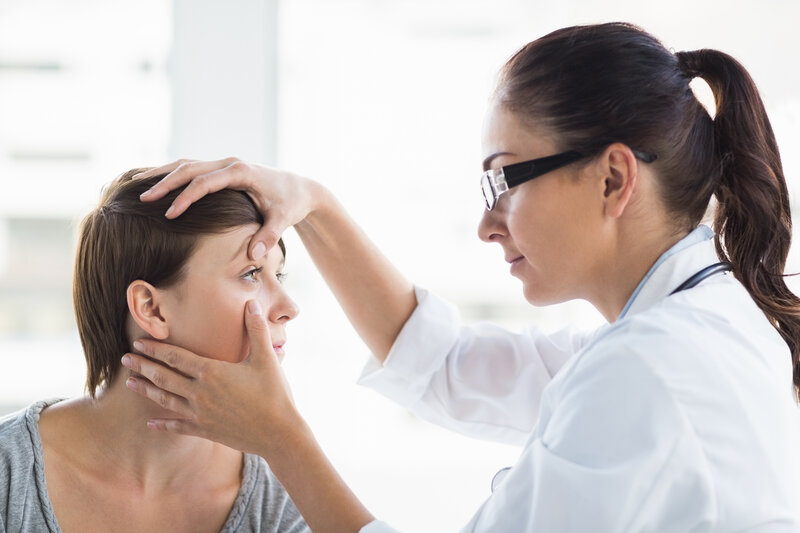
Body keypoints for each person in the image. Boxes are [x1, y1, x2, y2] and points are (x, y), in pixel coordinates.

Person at [121, 22, 800, 531]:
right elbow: (445, 362)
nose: (488, 224)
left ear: (614, 177)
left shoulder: (650, 369)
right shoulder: (687, 323)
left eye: (505, 179)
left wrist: (282, 438)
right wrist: (313, 203)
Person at [0, 170, 309, 532]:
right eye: (251, 273)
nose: (288, 307)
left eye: (279, 276)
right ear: (150, 308)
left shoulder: (285, 493)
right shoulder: (9, 474)